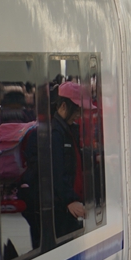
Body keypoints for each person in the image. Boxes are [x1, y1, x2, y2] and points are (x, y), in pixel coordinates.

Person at [50, 82, 87, 238]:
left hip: (72, 202)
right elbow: (56, 171)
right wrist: (68, 200)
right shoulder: (55, 133)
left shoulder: (69, 129)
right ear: (63, 106)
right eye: (76, 109)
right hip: (62, 208)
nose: (79, 114)